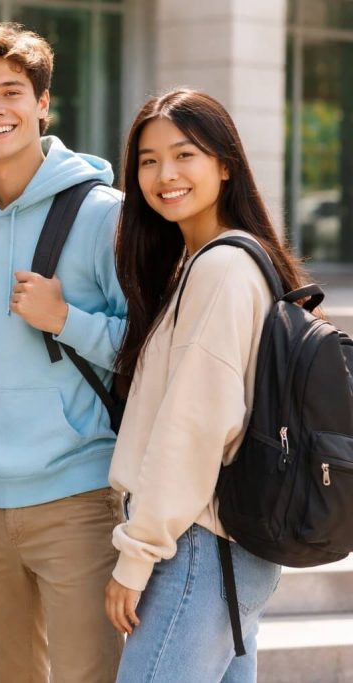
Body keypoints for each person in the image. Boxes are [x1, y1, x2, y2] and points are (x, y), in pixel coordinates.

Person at [0, 22, 128, 682]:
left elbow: (150, 352)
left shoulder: (105, 215)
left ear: (43, 103)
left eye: (11, 92)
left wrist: (65, 317)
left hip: (79, 500)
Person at [104, 89, 302, 682]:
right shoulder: (216, 262)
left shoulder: (220, 268)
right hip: (224, 547)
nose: (164, 174)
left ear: (224, 164)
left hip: (197, 547)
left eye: (184, 154)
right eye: (147, 159)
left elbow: (193, 428)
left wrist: (135, 558)